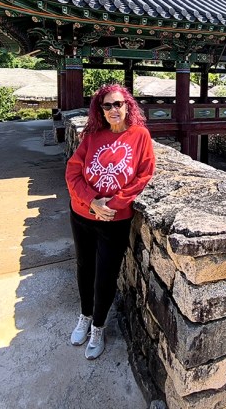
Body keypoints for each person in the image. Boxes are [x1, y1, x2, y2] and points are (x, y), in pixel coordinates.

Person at [65, 84, 155, 360]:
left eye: (118, 104)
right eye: (107, 105)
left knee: (106, 274)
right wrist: (92, 201)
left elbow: (143, 176)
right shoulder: (92, 136)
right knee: (85, 268)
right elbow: (73, 172)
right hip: (82, 214)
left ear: (128, 106)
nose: (114, 109)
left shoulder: (140, 136)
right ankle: (85, 315)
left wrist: (111, 206)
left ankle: (98, 327)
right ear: (100, 110)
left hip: (114, 220)